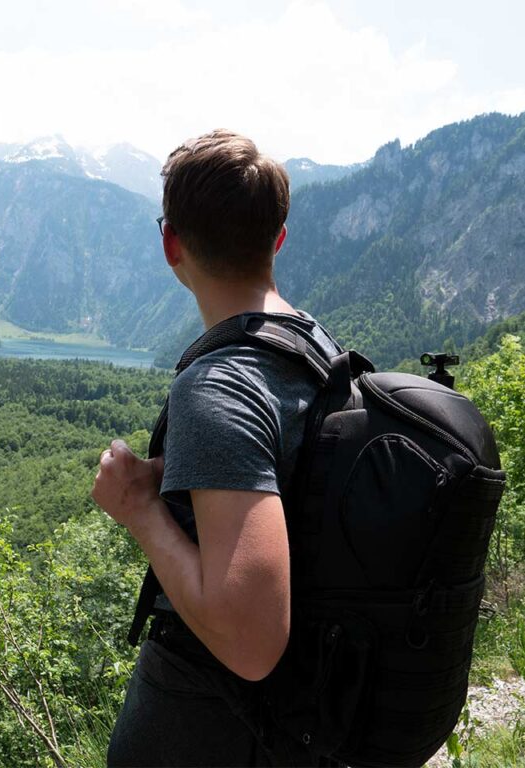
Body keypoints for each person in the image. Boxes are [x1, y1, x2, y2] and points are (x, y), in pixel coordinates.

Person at [92, 129, 339, 767]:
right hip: (297, 724)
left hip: (216, 731)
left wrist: (138, 507)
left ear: (171, 243)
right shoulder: (321, 353)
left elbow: (252, 640)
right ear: (278, 239)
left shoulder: (220, 386)